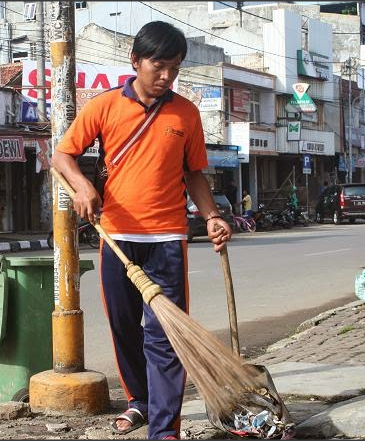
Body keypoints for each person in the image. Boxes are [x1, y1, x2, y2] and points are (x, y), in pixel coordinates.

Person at [51, 21, 232, 440]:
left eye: (175, 67)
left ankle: (165, 428)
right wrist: (83, 187)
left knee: (165, 334)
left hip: (167, 238)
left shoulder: (185, 113)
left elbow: (195, 174)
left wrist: (212, 217)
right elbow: (63, 155)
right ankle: (140, 402)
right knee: (124, 327)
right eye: (159, 65)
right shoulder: (104, 106)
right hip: (116, 238)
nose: (167, 75)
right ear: (135, 61)